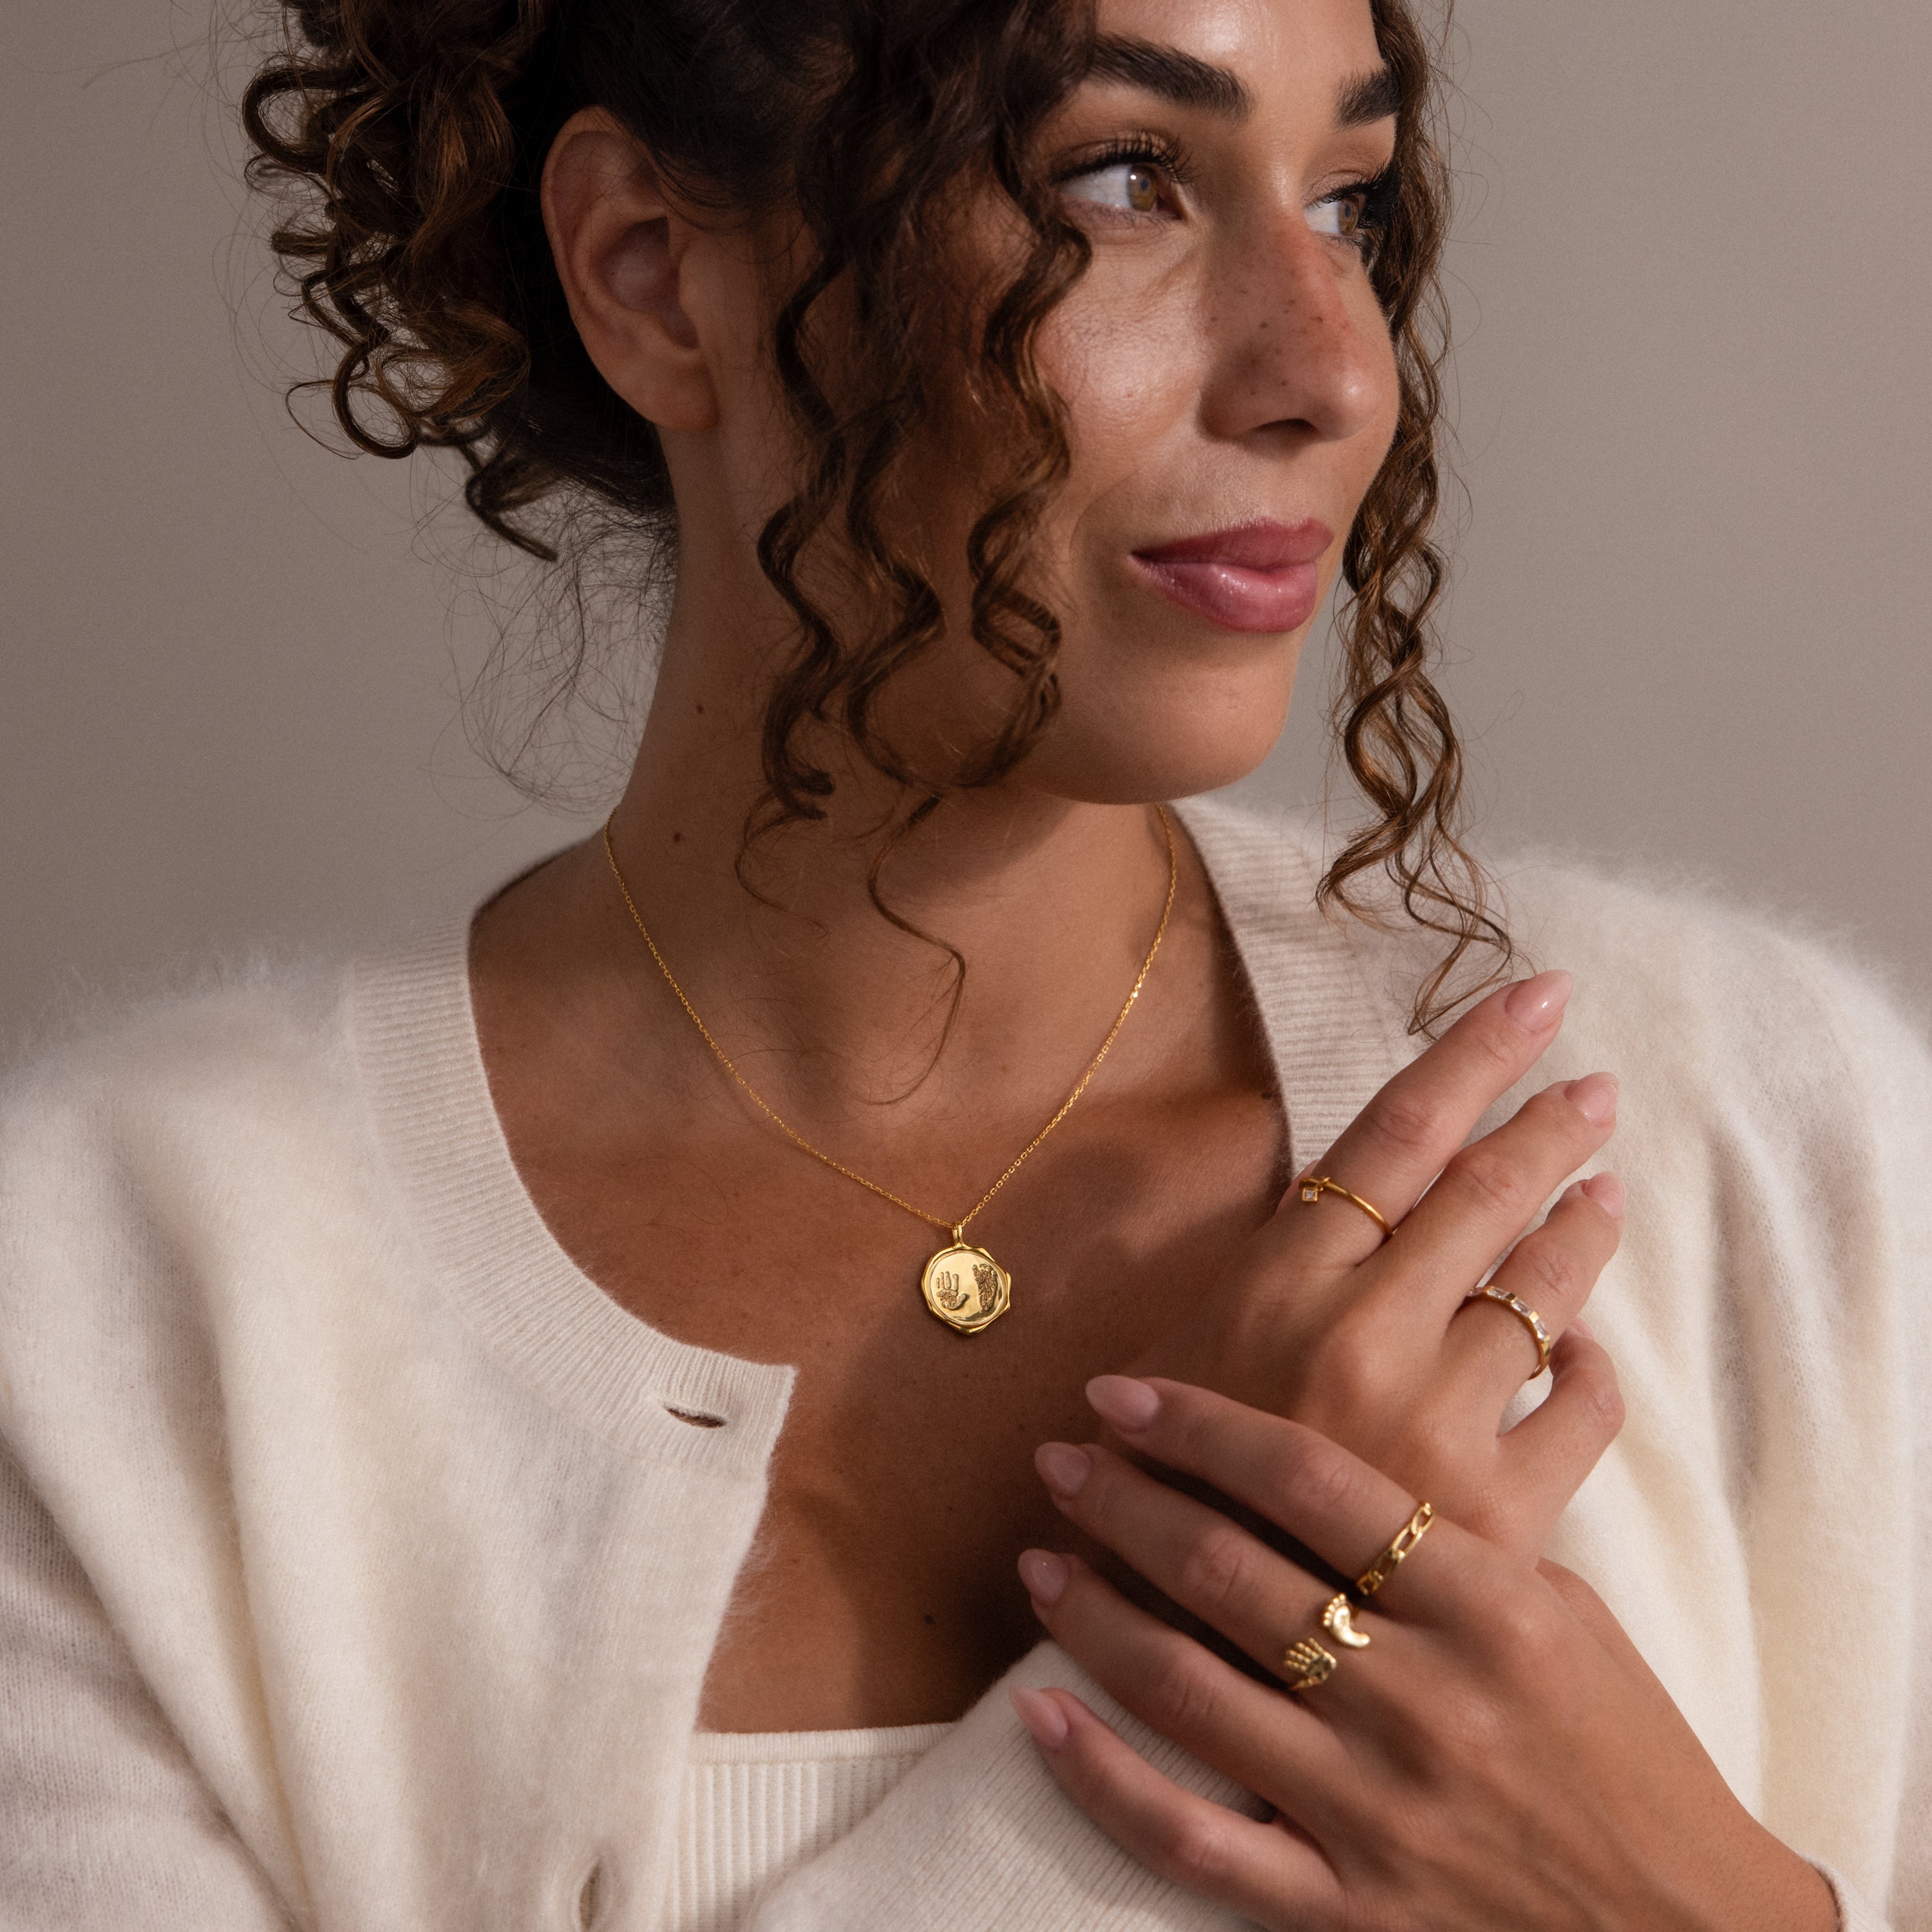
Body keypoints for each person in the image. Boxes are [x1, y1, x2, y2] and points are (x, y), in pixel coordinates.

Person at [2, 0, 1926, 1927]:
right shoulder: (106, 1314)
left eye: (1346, 197)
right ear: (654, 277)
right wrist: (1183, 1702)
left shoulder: (1755, 1142)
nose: (1329, 371)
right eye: (1121, 179)